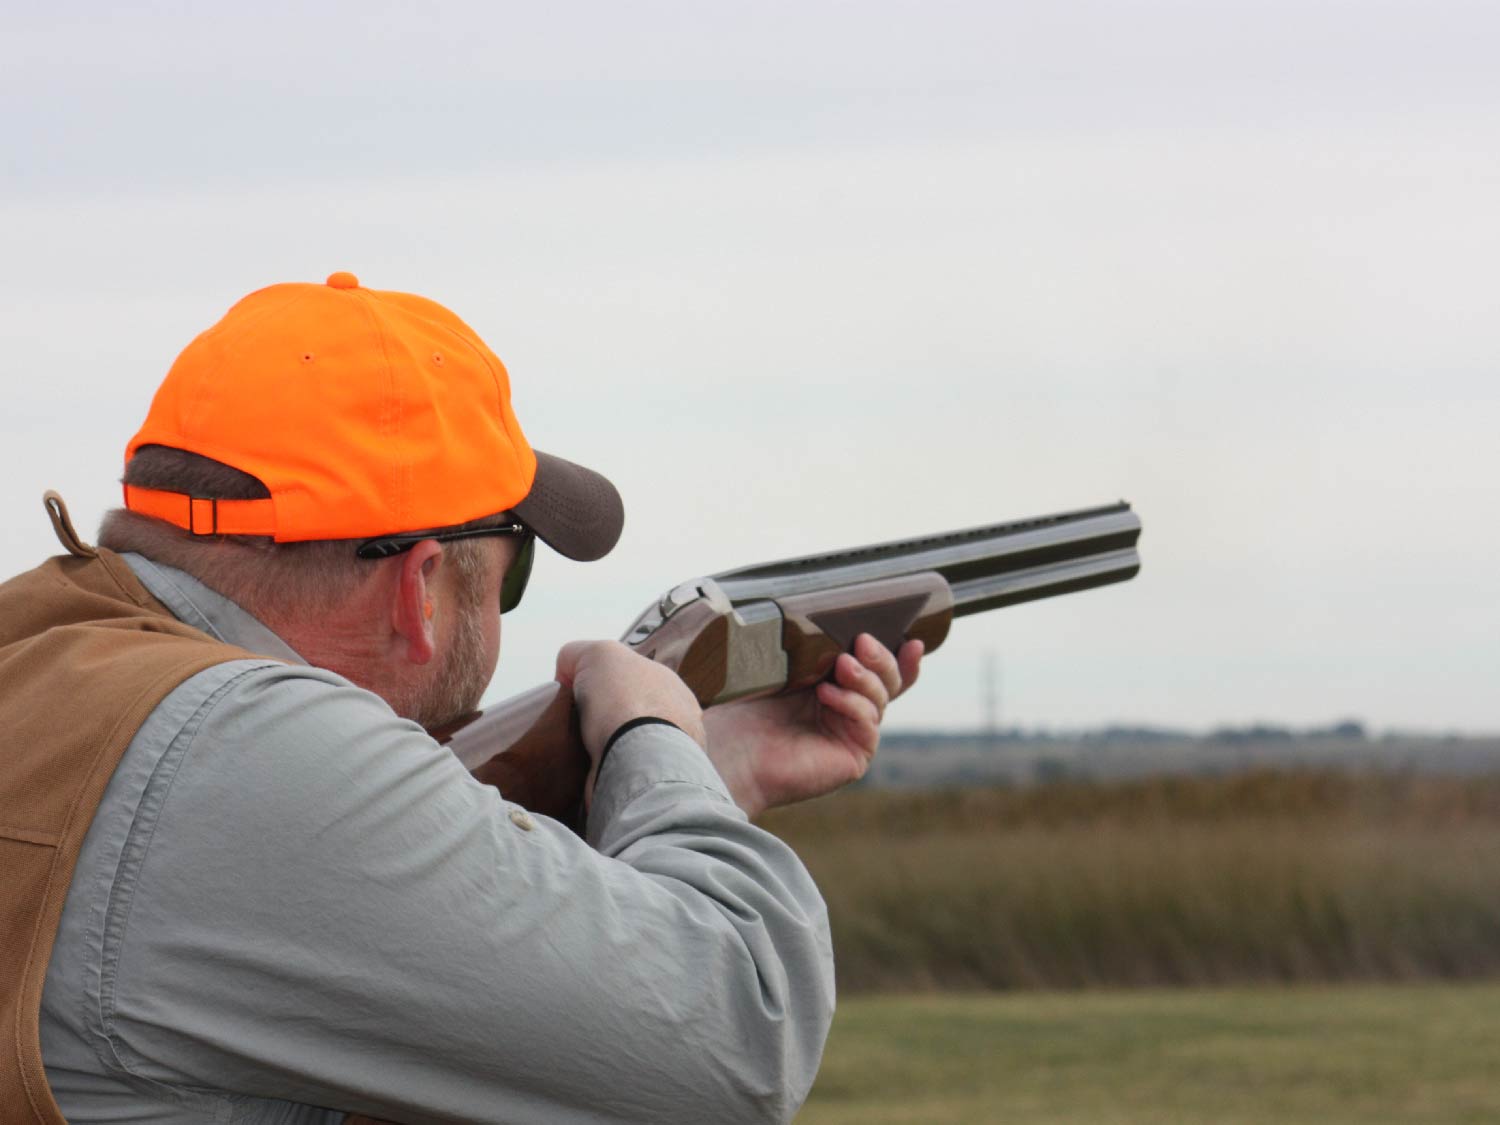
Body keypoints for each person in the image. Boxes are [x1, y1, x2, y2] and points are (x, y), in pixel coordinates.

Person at [0, 272, 922, 1124]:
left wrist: (701, 773)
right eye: (508, 578)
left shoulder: (46, 658)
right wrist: (650, 730)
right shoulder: (250, 751)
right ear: (422, 588)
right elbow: (742, 1037)